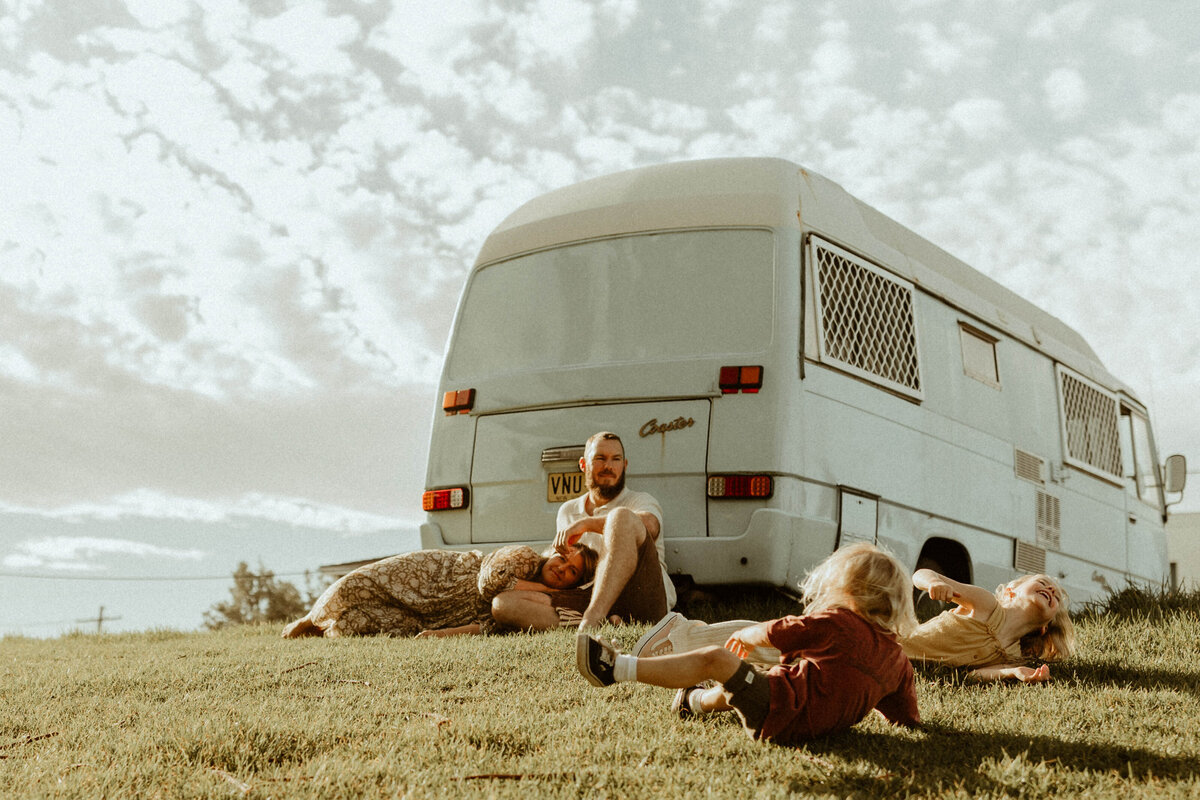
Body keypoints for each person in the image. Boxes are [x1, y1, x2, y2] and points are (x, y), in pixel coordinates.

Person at [576, 543, 921, 745]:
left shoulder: (839, 623)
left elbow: (780, 630)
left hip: (782, 714)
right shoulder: (898, 661)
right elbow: (905, 717)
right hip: (816, 725)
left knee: (717, 660)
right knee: (750, 678)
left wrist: (744, 635)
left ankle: (615, 668)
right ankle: (692, 702)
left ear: (846, 589)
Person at [492, 431, 671, 632]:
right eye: (600, 458)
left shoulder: (640, 501)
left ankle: (593, 620)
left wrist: (586, 524)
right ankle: (604, 624)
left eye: (616, 459)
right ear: (583, 464)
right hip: (586, 597)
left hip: (639, 595)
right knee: (503, 604)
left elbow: (651, 526)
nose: (608, 466)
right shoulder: (567, 511)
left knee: (621, 517)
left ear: (625, 465)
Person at [280, 543, 597, 638]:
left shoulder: (524, 602)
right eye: (564, 559)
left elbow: (486, 628)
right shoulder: (525, 557)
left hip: (438, 614)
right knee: (362, 582)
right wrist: (542, 586)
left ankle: (324, 631)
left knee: (359, 624)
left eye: (572, 573)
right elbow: (490, 581)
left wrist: (439, 634)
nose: (562, 568)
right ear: (555, 551)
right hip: (439, 575)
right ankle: (310, 619)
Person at [899, 569, 1076, 682]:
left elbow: (973, 676)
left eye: (1057, 599)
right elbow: (920, 574)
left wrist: (1014, 672)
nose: (1051, 590)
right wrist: (934, 582)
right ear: (1010, 592)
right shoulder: (986, 605)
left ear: (1045, 627)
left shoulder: (1013, 656)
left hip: (902, 670)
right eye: (1043, 583)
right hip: (894, 645)